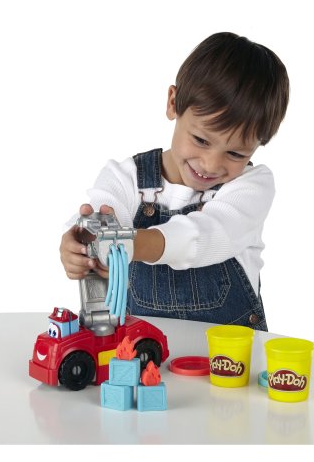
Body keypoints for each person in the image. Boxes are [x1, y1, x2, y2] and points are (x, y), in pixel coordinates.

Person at [60, 32, 289, 331]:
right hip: (141, 351)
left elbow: (206, 235)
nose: (211, 164)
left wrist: (129, 244)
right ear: (173, 103)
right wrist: (81, 245)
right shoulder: (126, 178)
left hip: (231, 354)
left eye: (235, 153)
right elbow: (102, 214)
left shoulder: (251, 187)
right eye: (201, 140)